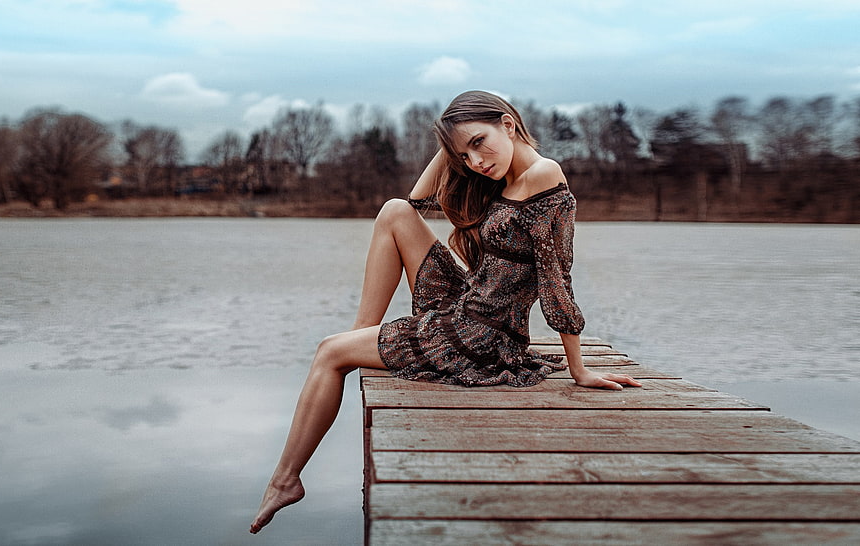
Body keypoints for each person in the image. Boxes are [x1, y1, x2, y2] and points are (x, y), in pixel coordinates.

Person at [249, 90, 640, 534]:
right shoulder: (503, 176)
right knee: (394, 211)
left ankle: (285, 481)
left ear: (507, 124)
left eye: (479, 142)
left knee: (327, 352)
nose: (474, 161)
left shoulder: (544, 174)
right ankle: (363, 334)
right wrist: (451, 140)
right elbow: (415, 202)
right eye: (463, 154)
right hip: (466, 301)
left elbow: (557, 276)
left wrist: (579, 369)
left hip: (478, 336)